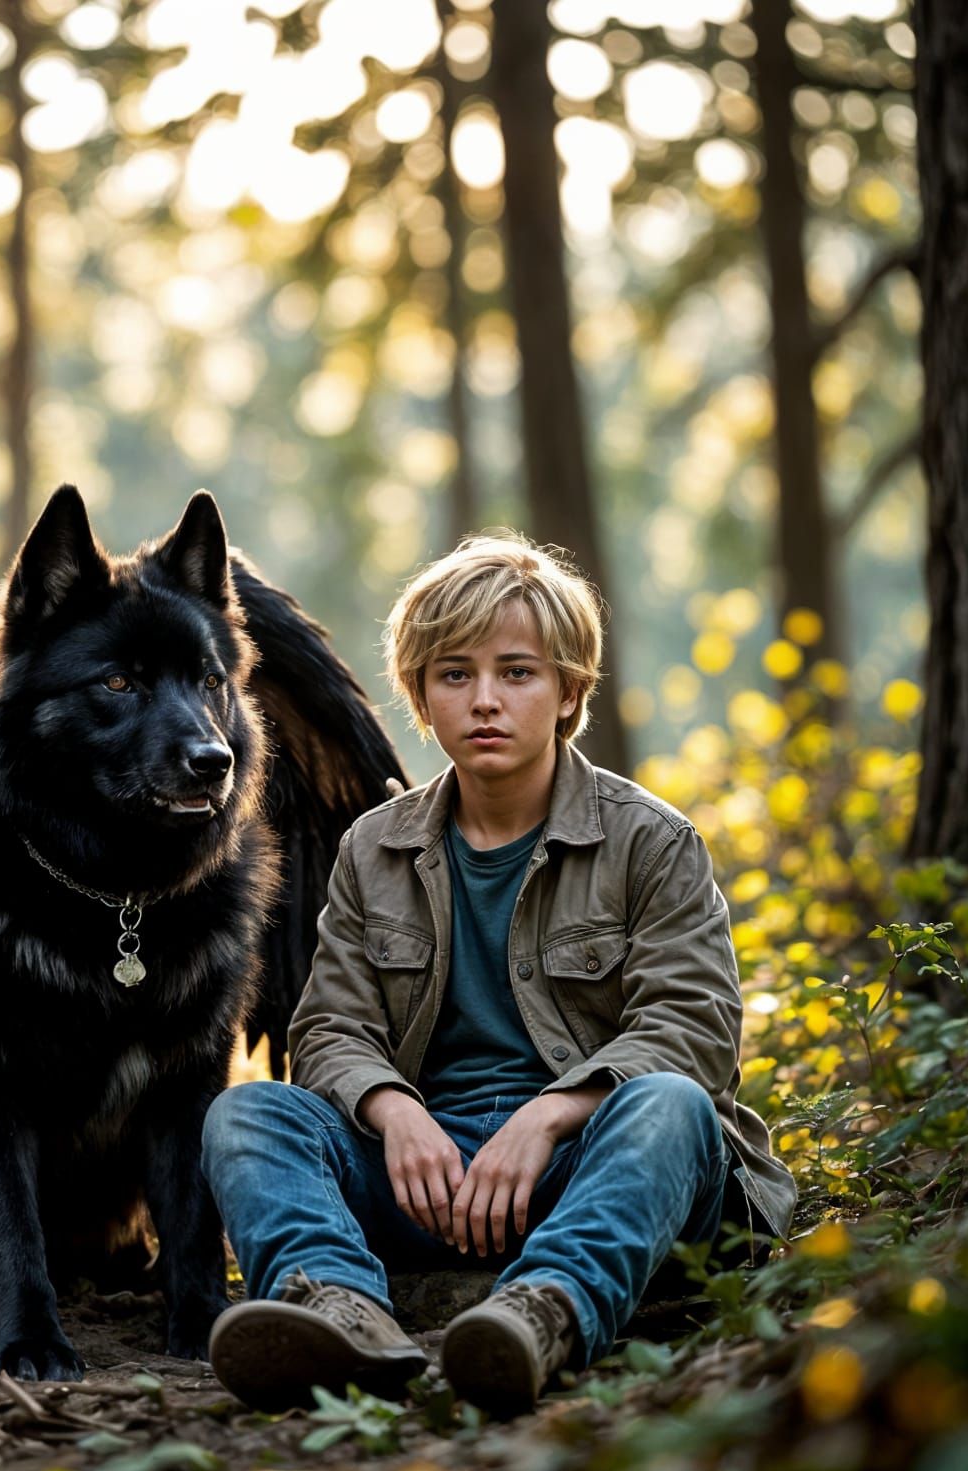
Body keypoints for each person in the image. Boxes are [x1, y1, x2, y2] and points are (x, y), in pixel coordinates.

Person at [200, 532, 796, 1417]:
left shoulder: (650, 841)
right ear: (421, 696)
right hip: (431, 1179)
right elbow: (330, 1028)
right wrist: (394, 1112)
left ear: (567, 692)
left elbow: (693, 1031)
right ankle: (338, 1311)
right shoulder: (376, 847)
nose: (485, 701)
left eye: (517, 673)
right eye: (454, 675)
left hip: (590, 1172)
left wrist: (551, 1116)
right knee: (247, 1113)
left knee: (672, 1108)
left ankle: (544, 1311)